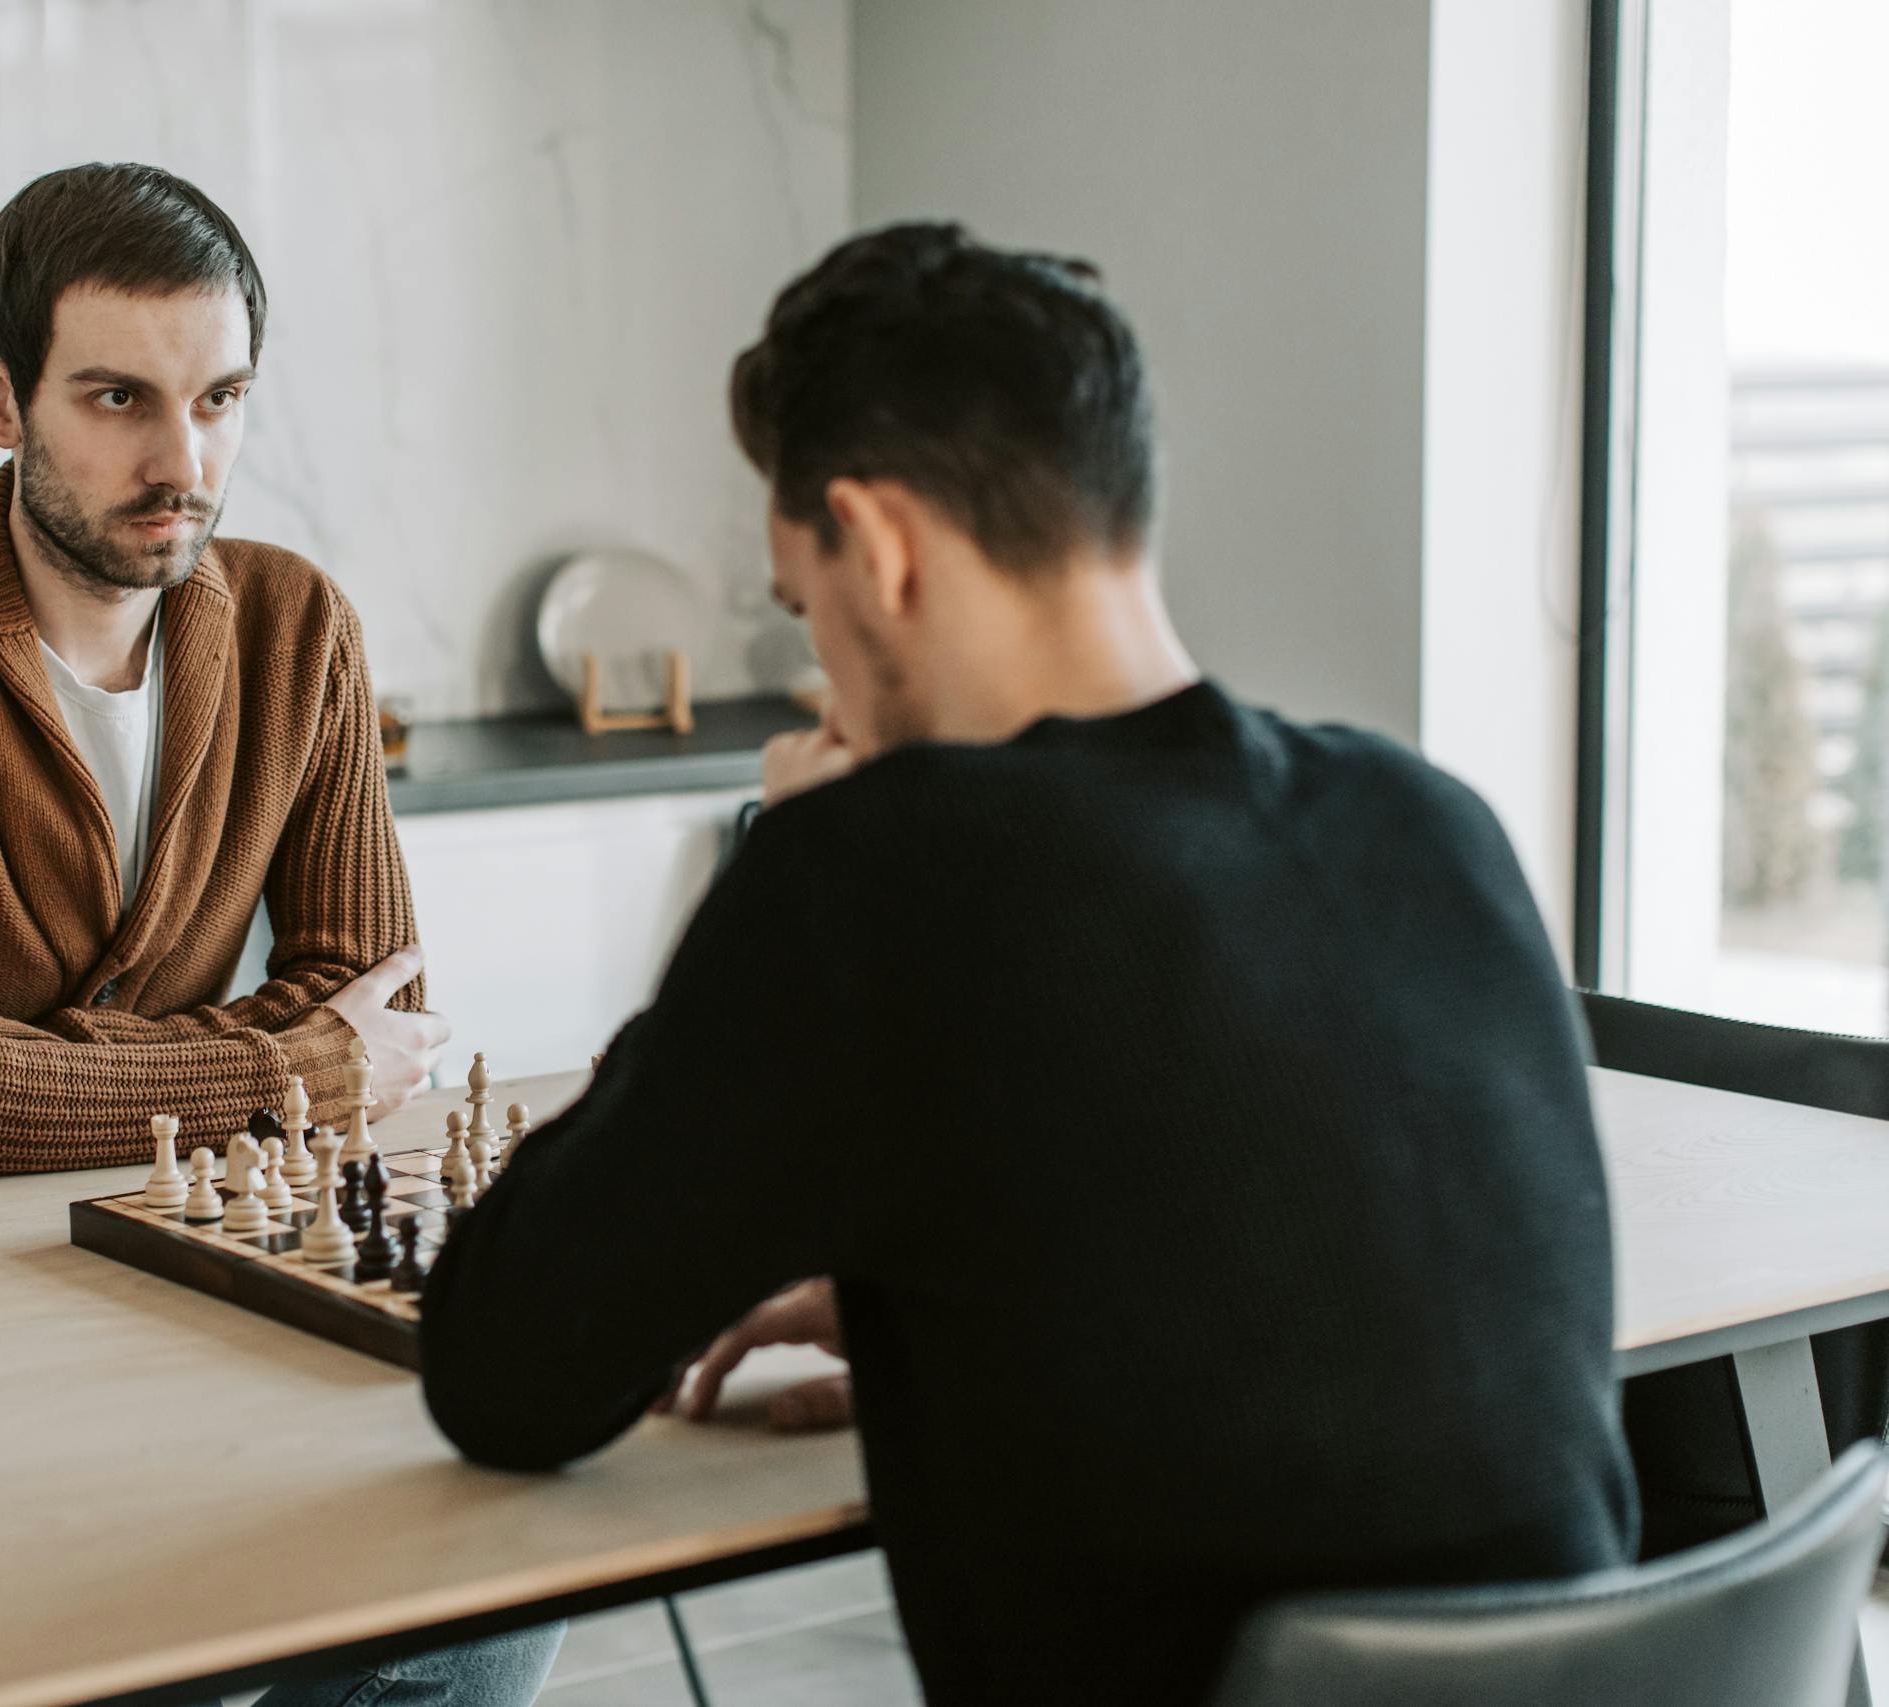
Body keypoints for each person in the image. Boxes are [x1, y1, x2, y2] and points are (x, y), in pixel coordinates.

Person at [418, 223, 1638, 1706]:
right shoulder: (1428, 816)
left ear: (876, 546)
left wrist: (773, 873)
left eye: (804, 606)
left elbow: (502, 1368)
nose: (821, 672)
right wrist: (983, 1300)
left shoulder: (879, 867)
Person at [0, 163, 451, 1187]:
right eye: (120, 399)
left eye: (219, 400)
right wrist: (301, 1069)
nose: (184, 465)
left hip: (153, 1224)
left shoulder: (300, 626)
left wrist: (2, 1055)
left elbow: (391, 1016)